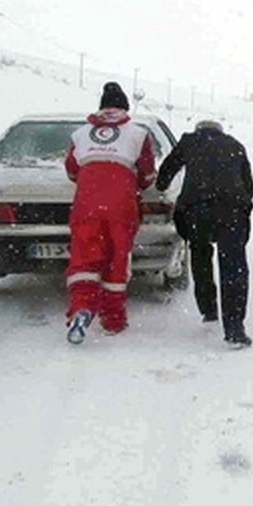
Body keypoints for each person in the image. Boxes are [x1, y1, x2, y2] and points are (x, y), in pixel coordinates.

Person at [63, 81, 156, 344]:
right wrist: (130, 180)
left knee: (84, 259)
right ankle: (113, 319)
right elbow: (147, 174)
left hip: (86, 204)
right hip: (121, 206)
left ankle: (81, 308)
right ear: (125, 108)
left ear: (101, 108)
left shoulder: (80, 134)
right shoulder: (138, 133)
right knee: (117, 259)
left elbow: (71, 170)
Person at [157, 119, 253, 348]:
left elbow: (168, 168)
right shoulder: (235, 145)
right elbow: (249, 187)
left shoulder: (190, 141)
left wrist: (161, 185)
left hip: (197, 210)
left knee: (200, 255)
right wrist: (241, 204)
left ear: (198, 130)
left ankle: (209, 310)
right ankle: (234, 329)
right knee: (234, 266)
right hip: (231, 211)